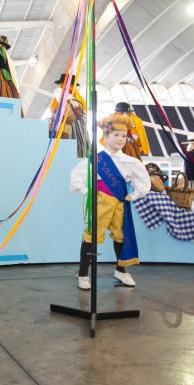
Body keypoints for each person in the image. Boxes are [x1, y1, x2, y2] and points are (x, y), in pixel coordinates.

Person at [71, 113, 150, 289]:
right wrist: (86, 191)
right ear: (105, 136)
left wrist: (135, 194)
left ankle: (121, 270)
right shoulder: (95, 159)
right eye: (116, 135)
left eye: (124, 135)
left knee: (121, 236)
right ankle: (83, 274)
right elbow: (76, 176)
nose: (121, 139)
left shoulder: (130, 161)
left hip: (121, 203)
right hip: (101, 202)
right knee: (92, 236)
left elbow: (144, 180)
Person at [49, 73, 89, 158]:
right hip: (73, 130)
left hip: (70, 130)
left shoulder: (62, 94)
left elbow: (75, 115)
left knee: (72, 152)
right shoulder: (77, 99)